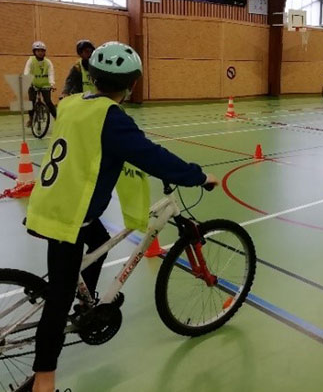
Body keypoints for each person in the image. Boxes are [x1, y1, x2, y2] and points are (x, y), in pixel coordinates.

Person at [26, 42, 219, 392]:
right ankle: (44, 382)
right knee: (58, 300)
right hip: (69, 216)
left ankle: (87, 303)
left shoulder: (71, 104)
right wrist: (197, 175)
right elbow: (152, 156)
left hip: (51, 201)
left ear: (93, 78)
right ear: (129, 87)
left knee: (99, 241)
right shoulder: (111, 118)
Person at [23, 41, 57, 127]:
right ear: (34, 52)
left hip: (45, 85)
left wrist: (52, 83)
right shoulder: (31, 61)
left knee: (48, 102)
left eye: (42, 51)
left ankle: (57, 118)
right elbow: (27, 71)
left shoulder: (48, 62)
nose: (40, 53)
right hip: (33, 84)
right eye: (38, 51)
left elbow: (51, 73)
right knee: (31, 102)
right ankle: (31, 119)